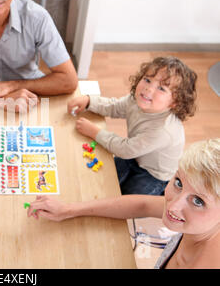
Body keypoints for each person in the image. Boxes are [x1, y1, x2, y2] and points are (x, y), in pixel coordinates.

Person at [27, 139, 220, 268]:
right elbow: (141, 205)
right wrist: (69, 209)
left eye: (198, 201)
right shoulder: (200, 227)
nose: (173, 205)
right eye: (178, 183)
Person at [67, 56, 197, 195]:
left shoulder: (163, 131)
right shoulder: (136, 99)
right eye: (147, 80)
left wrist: (95, 132)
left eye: (161, 88)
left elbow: (125, 149)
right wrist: (89, 101)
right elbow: (115, 106)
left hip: (153, 175)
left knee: (124, 201)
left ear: (174, 102)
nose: (148, 89)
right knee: (104, 180)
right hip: (135, 155)